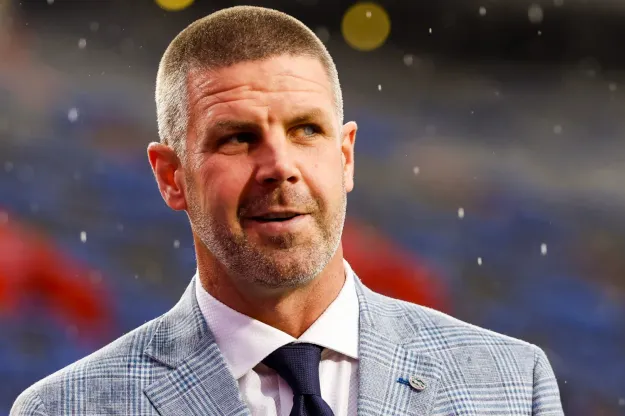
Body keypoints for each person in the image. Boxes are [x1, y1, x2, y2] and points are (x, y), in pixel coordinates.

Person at [11, 6, 563, 416]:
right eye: (237, 138)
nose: (280, 165)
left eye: (306, 130)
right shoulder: (68, 407)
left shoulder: (511, 385)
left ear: (345, 156)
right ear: (170, 176)